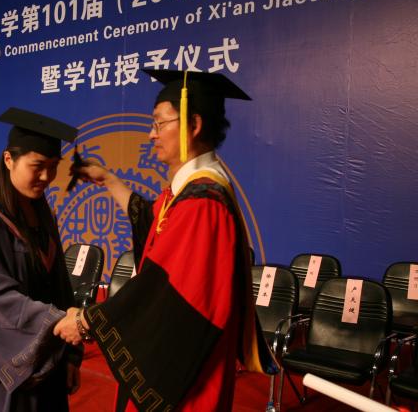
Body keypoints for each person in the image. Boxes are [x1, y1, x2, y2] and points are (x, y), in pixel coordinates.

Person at [54, 70, 277, 411]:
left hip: (187, 381)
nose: (151, 133)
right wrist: (109, 180)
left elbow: (160, 292)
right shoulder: (189, 193)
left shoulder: (203, 204)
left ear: (194, 125)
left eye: (159, 123)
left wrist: (87, 322)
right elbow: (153, 227)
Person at [0, 107, 83, 412]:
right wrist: (58, 321)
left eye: (53, 167)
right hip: (3, 362)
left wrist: (70, 355)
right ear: (9, 159)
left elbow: (61, 287)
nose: (46, 177)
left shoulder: (43, 216)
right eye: (37, 166)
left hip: (47, 354)